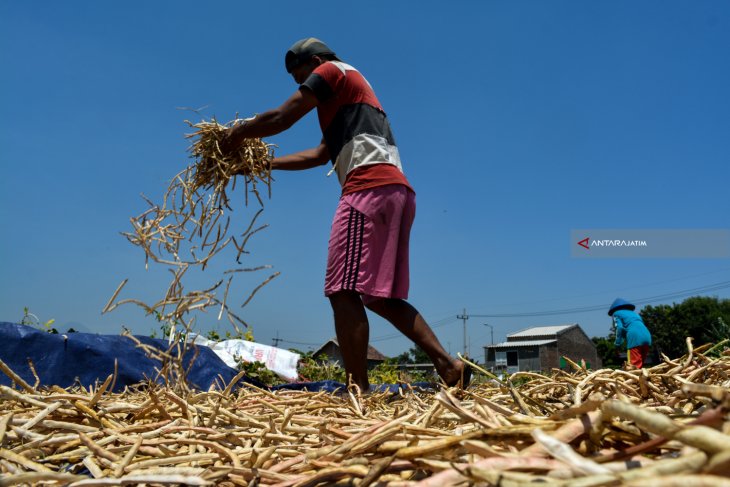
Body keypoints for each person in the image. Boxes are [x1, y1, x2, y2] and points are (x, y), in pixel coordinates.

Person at [221, 38, 468, 391]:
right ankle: (448, 366)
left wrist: (236, 134)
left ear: (317, 61)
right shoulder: (352, 99)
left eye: (303, 78)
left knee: (341, 290)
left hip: (366, 190)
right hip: (395, 191)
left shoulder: (332, 71)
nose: (302, 87)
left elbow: (282, 117)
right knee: (380, 297)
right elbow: (321, 155)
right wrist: (261, 165)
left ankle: (358, 391)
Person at [608, 298, 652, 369]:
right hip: (647, 336)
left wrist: (617, 344)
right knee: (640, 365)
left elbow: (619, 328)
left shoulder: (616, 314)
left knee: (632, 366)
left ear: (613, 310)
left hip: (634, 338)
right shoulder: (635, 314)